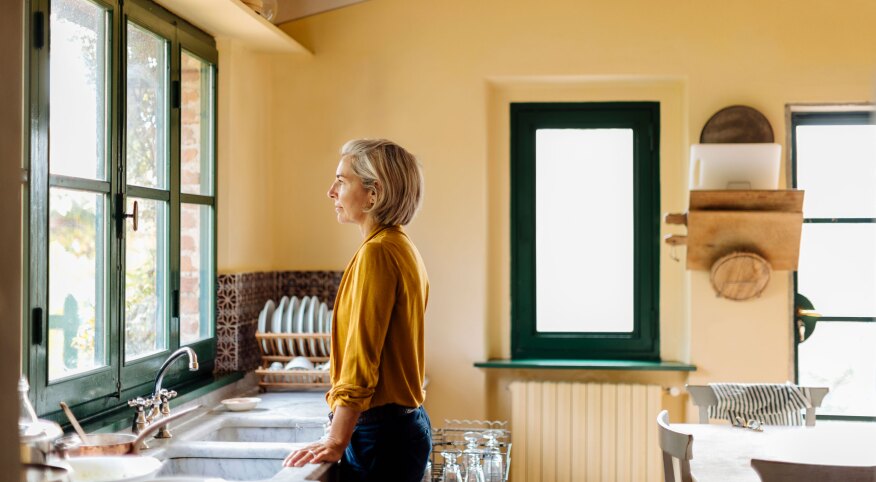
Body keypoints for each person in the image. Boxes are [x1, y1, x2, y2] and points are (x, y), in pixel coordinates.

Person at [283, 139, 432, 482]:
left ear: (373, 194)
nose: (330, 191)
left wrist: (337, 437)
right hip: (404, 425)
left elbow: (361, 357)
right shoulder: (401, 246)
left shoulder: (376, 253)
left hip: (382, 435)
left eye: (342, 180)